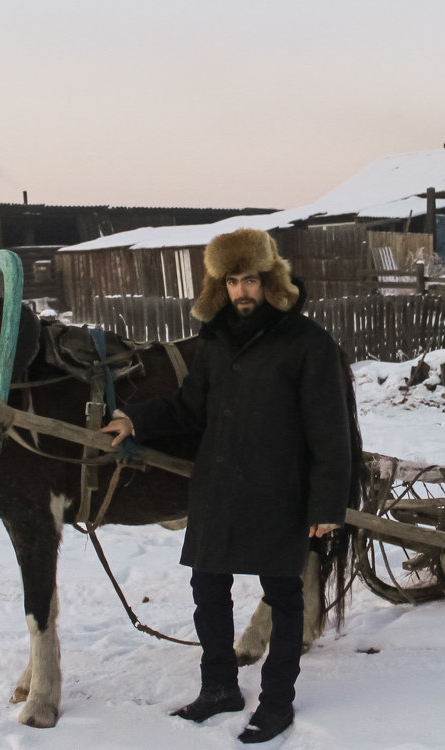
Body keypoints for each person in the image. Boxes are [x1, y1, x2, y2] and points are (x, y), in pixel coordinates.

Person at [102, 227, 355, 744]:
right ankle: (219, 687)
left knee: (283, 597)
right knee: (207, 589)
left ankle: (277, 703)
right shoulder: (215, 342)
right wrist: (136, 419)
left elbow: (330, 432)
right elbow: (188, 407)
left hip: (279, 491)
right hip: (219, 488)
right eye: (233, 280)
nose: (243, 291)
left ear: (271, 280)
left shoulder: (307, 343)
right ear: (220, 286)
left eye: (252, 280)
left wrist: (327, 502)